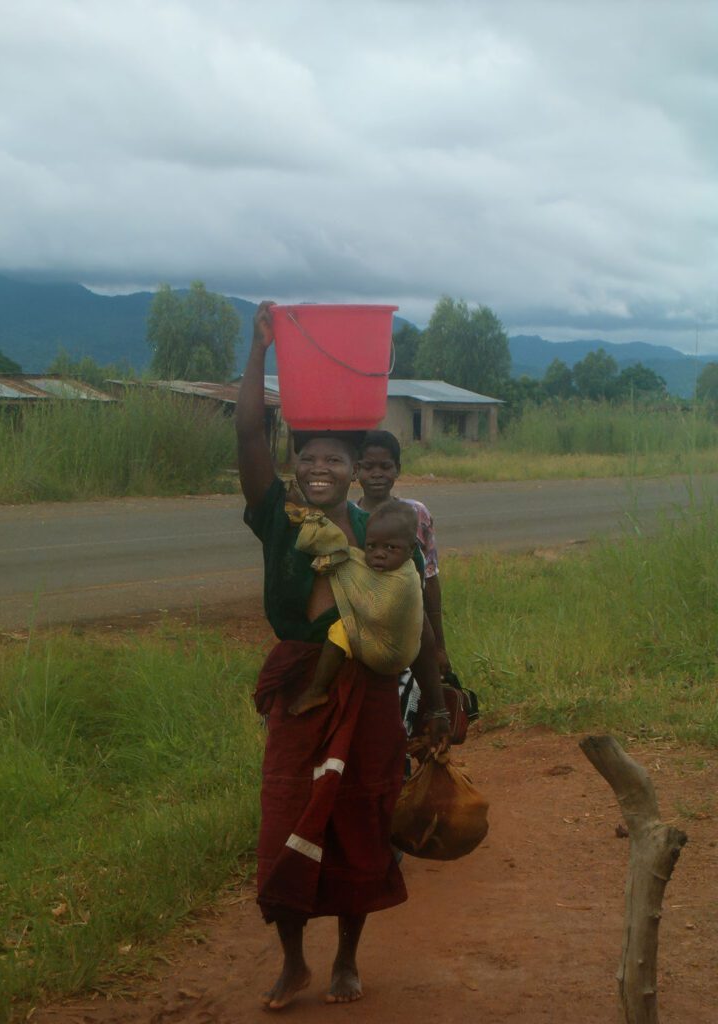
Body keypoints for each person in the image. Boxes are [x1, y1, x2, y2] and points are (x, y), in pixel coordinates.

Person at [236, 301, 450, 1011]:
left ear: (359, 471)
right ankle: (294, 960)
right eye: (308, 457)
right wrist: (260, 352)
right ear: (294, 467)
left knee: (361, 822)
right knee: (285, 822)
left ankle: (347, 960)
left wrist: (438, 697)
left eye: (334, 459)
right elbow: (248, 434)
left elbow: (414, 621)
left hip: (371, 692)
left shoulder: (378, 531)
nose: (318, 467)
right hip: (301, 688)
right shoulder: (277, 517)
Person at [288, 498, 424, 716]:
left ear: (411, 550)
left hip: (391, 655)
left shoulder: (405, 580)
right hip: (383, 646)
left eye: (391, 547)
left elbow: (376, 611)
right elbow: (351, 555)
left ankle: (317, 689)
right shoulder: (374, 564)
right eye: (372, 546)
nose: (379, 553)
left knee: (339, 630)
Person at [355, 430, 451, 734]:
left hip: (410, 637)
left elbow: (430, 580)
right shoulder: (347, 517)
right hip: (363, 640)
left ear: (398, 468)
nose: (377, 474)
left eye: (385, 466)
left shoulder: (416, 513)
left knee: (403, 724)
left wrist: (439, 647)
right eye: (369, 467)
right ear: (356, 469)